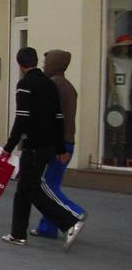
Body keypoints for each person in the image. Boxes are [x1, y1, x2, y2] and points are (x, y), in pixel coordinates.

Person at [0, 47, 86, 251]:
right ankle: (18, 234)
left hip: (33, 146)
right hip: (48, 146)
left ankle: (69, 221)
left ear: (19, 64)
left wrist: (8, 147)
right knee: (23, 190)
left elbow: (21, 118)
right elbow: (58, 118)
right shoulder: (49, 84)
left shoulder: (25, 85)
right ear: (37, 61)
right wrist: (59, 148)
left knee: (32, 189)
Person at [31, 50, 86, 239]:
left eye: (47, 61)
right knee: (51, 184)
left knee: (46, 186)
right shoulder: (67, 86)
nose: (44, 65)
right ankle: (48, 227)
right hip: (65, 141)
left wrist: (59, 146)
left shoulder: (54, 85)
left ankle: (74, 213)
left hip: (59, 143)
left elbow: (58, 119)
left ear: (55, 63)